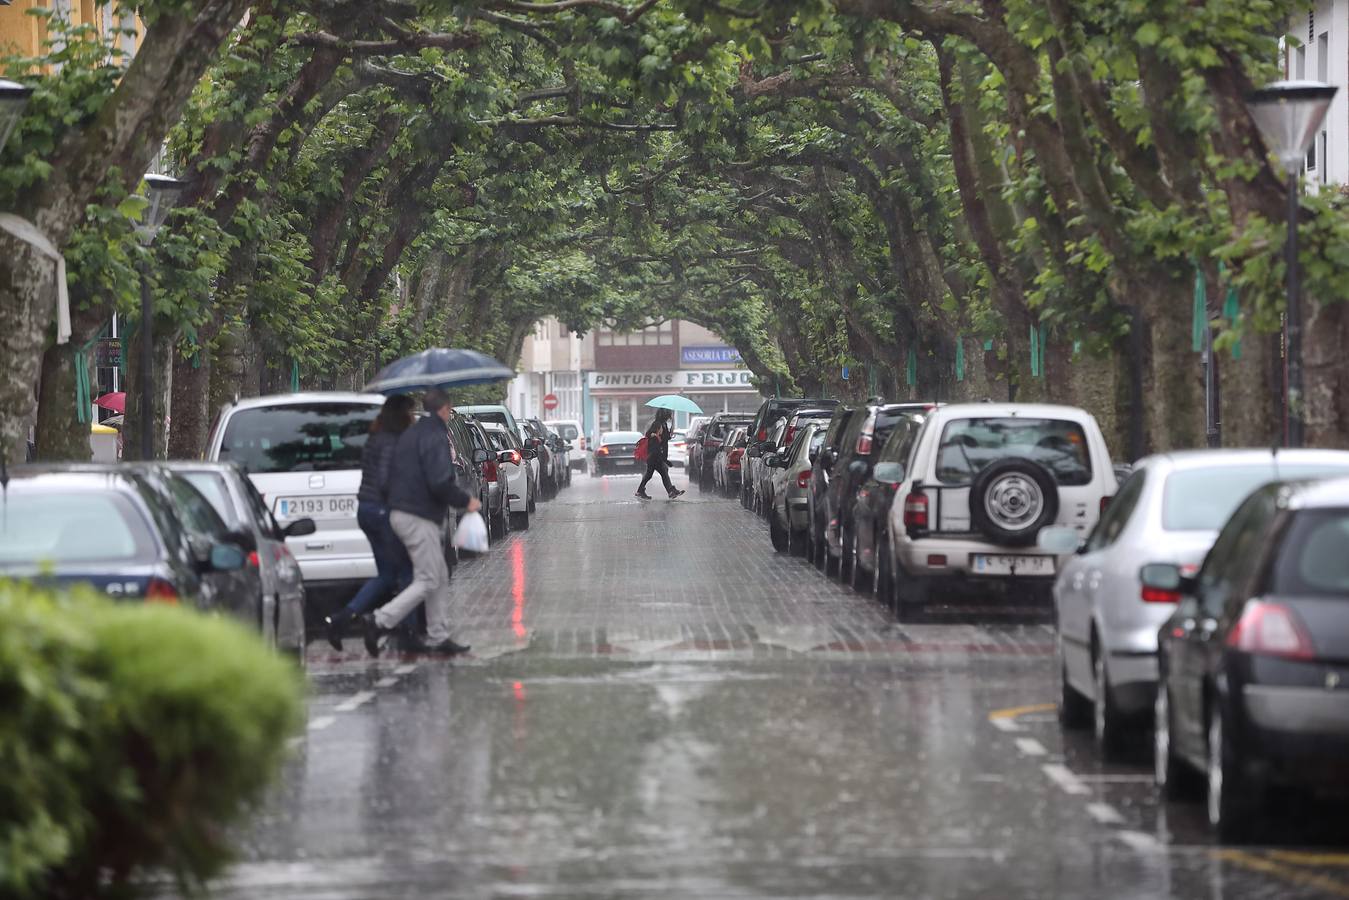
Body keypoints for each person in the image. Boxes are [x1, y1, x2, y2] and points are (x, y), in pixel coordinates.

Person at [362, 388, 481, 657]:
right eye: (449, 411)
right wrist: (466, 501)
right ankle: (379, 620)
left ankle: (438, 636)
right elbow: (439, 481)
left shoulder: (414, 432)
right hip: (418, 515)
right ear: (444, 409)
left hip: (404, 512)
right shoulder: (434, 436)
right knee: (428, 578)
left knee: (437, 575)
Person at [323, 395, 416, 651]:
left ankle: (341, 620)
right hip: (381, 512)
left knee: (387, 574)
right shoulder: (391, 441)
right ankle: (406, 631)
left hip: (366, 509)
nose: (413, 417)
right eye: (410, 412)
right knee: (408, 571)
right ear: (400, 415)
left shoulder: (376, 436)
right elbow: (386, 480)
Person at [636, 407, 684, 500]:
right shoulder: (657, 424)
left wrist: (669, 434)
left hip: (658, 454)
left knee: (651, 473)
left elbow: (664, 438)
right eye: (669, 413)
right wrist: (654, 434)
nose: (670, 415)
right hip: (655, 454)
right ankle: (670, 491)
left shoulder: (664, 424)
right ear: (664, 414)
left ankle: (640, 491)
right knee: (663, 471)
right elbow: (648, 434)